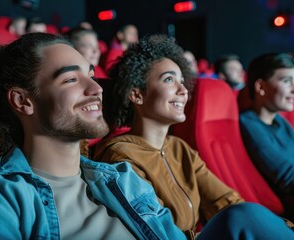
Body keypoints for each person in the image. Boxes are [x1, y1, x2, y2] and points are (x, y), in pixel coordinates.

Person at [0, 33, 293, 240]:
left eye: (91, 74)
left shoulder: (119, 180)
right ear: (23, 100)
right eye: (71, 78)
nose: (96, 88)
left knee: (244, 217)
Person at [93, 34, 294, 238]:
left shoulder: (179, 148)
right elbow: (158, 232)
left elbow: (225, 200)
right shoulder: (120, 157)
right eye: (169, 80)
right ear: (136, 95)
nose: (183, 91)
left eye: (182, 81)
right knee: (243, 215)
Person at [239, 52, 294, 221]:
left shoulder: (279, 120)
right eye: (287, 81)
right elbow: (287, 177)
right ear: (261, 87)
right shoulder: (249, 123)